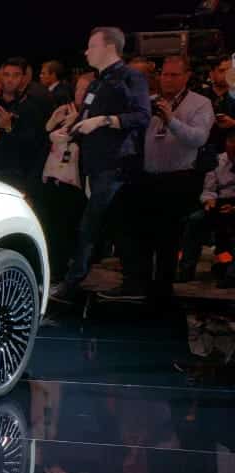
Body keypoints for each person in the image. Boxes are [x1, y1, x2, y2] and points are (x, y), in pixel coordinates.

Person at [49, 27, 152, 305]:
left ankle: (72, 283)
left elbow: (142, 116)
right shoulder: (96, 83)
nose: (86, 52)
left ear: (109, 47)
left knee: (91, 225)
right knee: (114, 225)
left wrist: (104, 121)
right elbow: (84, 119)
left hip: (116, 165)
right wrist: (67, 132)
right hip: (93, 165)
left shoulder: (131, 77)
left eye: (91, 46)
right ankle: (134, 282)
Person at [101, 56, 213, 302]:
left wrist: (171, 120)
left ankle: (162, 289)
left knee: (167, 238)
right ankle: (137, 283)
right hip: (146, 177)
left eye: (174, 75)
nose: (168, 79)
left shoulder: (200, 103)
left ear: (187, 76)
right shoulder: (150, 101)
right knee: (138, 233)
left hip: (178, 178)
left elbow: (198, 138)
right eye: (164, 74)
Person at [38, 72, 97, 281]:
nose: (80, 93)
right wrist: (51, 124)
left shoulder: (94, 117)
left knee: (68, 231)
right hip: (52, 180)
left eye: (85, 89)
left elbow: (88, 149)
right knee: (51, 228)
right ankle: (52, 273)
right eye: (78, 88)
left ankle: (66, 275)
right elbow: (44, 142)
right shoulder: (65, 111)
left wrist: (75, 127)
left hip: (77, 185)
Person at [0, 58, 47, 191]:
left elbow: (34, 144)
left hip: (15, 174)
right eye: (6, 75)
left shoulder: (31, 106)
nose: (10, 79)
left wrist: (9, 127)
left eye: (16, 75)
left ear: (23, 78)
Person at [180, 128, 235, 287]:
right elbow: (208, 190)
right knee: (195, 220)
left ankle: (231, 274)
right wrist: (209, 201)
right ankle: (186, 270)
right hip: (220, 203)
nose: (232, 156)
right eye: (230, 152)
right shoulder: (219, 161)